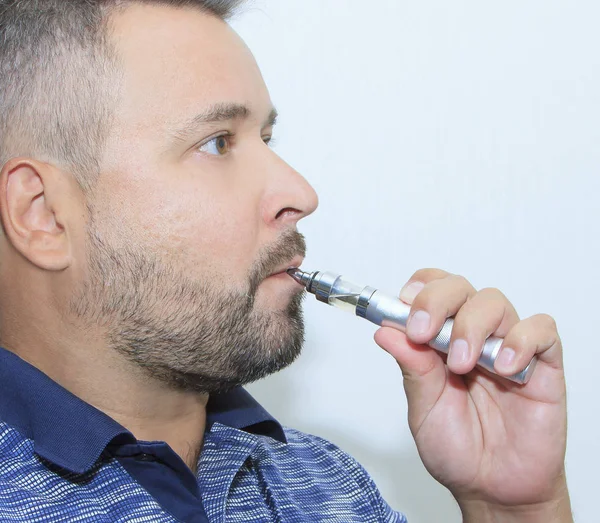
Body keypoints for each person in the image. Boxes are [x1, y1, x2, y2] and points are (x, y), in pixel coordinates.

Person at [0, 1, 572, 522]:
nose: (300, 191)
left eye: (267, 138)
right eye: (217, 142)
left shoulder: (326, 488)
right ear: (43, 213)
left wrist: (512, 507)